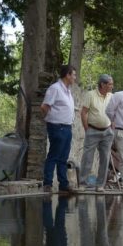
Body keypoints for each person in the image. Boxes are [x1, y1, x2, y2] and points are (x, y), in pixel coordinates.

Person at [41, 64, 78, 194]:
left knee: (63, 157)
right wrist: (51, 119)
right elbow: (44, 106)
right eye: (73, 75)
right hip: (57, 127)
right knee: (53, 156)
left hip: (67, 127)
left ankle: (63, 184)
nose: (75, 77)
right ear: (67, 75)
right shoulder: (55, 89)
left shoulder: (67, 91)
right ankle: (47, 184)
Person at [79, 74, 115, 192]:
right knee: (87, 158)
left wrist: (113, 127)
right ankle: (83, 184)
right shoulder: (90, 95)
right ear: (102, 84)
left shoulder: (112, 96)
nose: (112, 86)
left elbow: (115, 113)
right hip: (93, 130)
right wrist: (87, 129)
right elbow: (83, 112)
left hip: (107, 131)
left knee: (105, 159)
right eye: (110, 84)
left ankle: (100, 185)